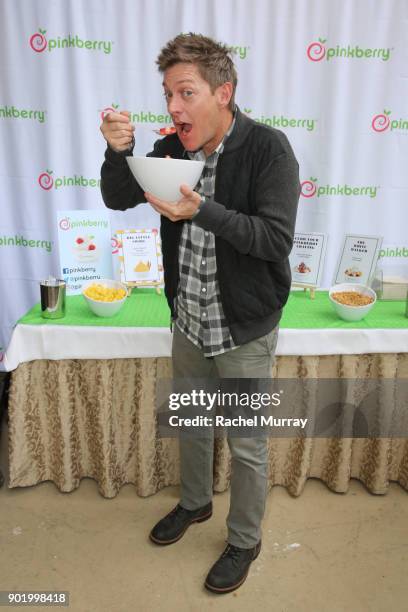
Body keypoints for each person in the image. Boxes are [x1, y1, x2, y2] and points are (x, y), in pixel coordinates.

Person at [100, 32, 300, 594]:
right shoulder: (169, 150)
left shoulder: (269, 149)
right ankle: (194, 505)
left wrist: (203, 211)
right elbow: (119, 197)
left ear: (223, 92)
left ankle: (244, 538)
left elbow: (274, 239)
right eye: (168, 93)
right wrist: (119, 150)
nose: (173, 107)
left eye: (185, 93)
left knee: (246, 442)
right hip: (188, 318)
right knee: (191, 423)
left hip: (242, 328)